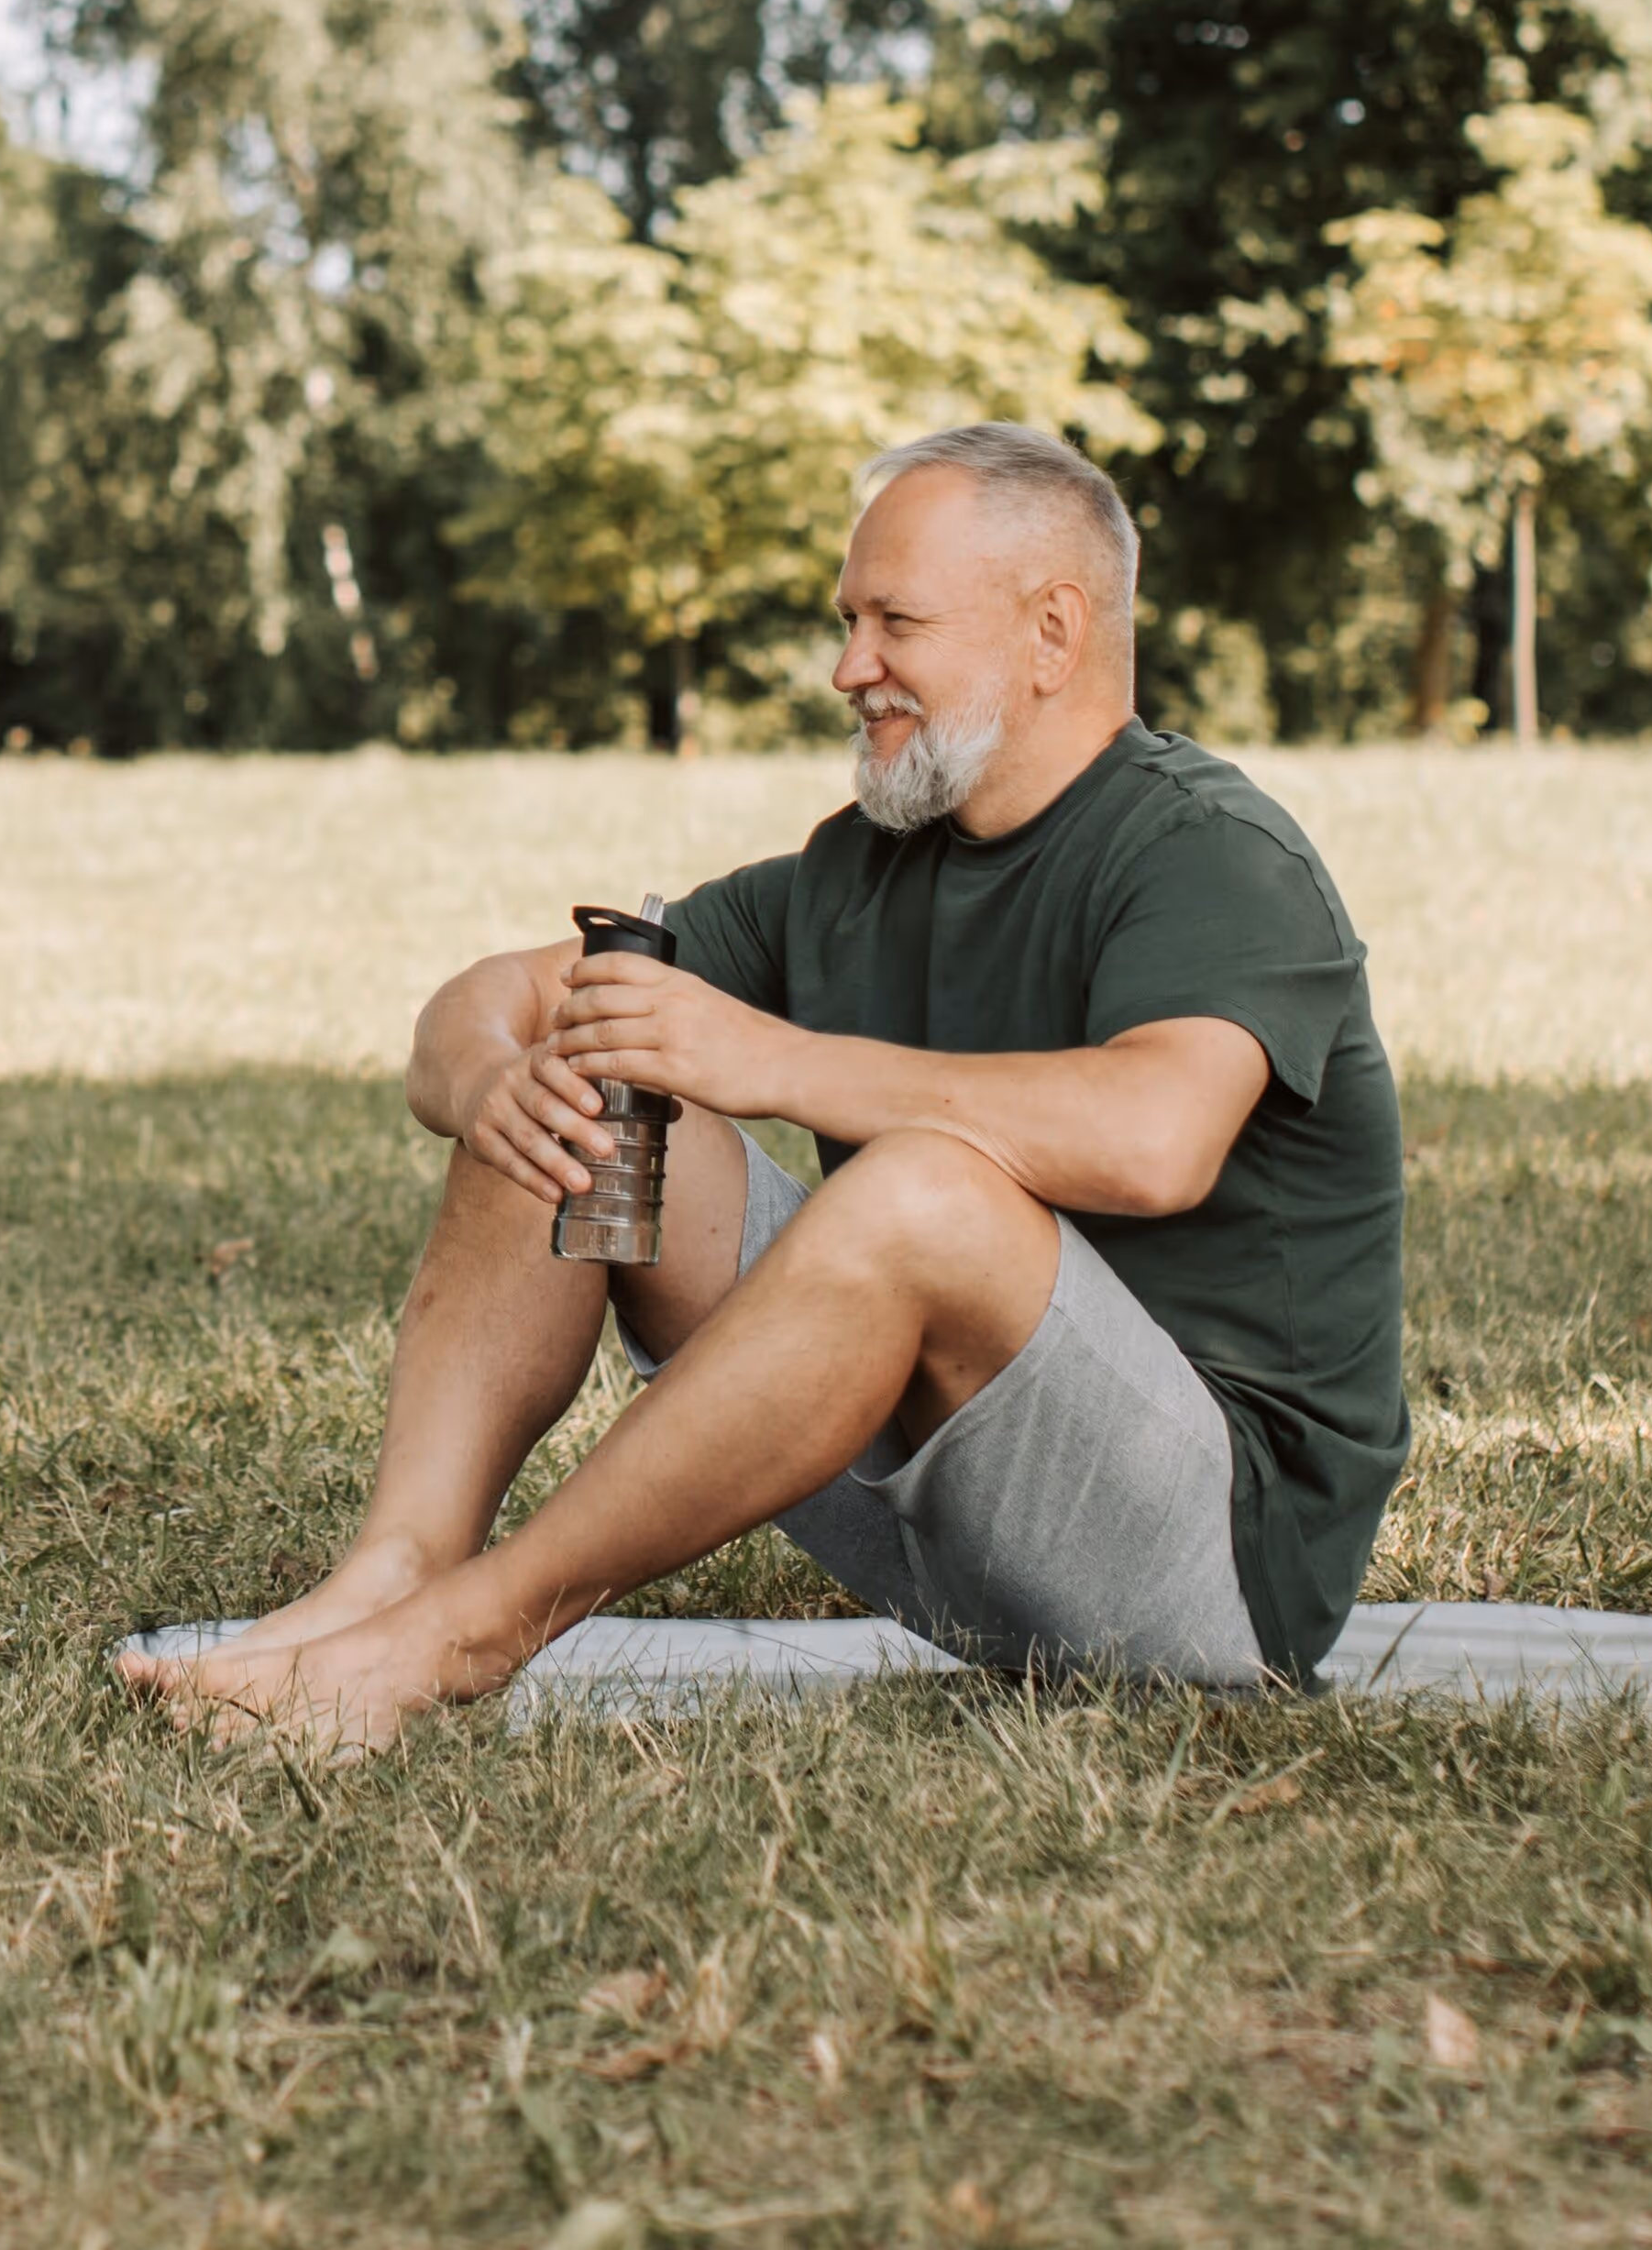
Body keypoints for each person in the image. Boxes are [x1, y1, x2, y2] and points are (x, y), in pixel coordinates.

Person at [126, 423, 1407, 1749]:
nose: (848, 666)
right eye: (847, 620)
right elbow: (485, 1002)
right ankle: (390, 1572)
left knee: (919, 1192)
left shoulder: (1209, 851)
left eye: (893, 621)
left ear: (1050, 632)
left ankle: (455, 1638)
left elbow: (1154, 1139)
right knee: (579, 1073)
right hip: (945, 1537)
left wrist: (775, 1061)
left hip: (1206, 1575)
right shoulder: (864, 863)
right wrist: (488, 1080)